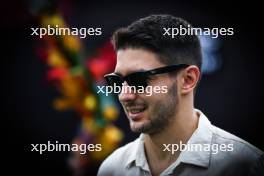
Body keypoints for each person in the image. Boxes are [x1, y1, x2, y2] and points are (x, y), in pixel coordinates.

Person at [97, 14, 263, 176]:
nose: (124, 96)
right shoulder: (112, 168)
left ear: (188, 80)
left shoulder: (244, 165)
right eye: (117, 81)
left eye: (139, 79)